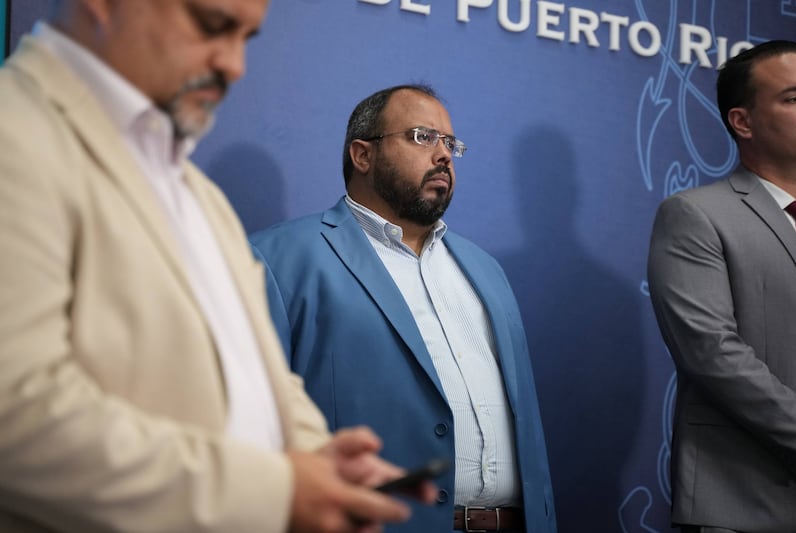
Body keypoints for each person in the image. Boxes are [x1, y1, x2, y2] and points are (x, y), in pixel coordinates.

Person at [0, 1, 434, 531]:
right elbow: (15, 414)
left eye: (246, 38)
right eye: (212, 25)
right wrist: (277, 489)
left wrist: (319, 461)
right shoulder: (14, 131)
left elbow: (260, 371)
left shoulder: (196, 192)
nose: (234, 65)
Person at [249, 84, 557, 533]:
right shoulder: (278, 260)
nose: (444, 155)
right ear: (362, 155)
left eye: (450, 143)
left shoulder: (485, 270)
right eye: (422, 137)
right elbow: (254, 425)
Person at [648, 39, 796, 532]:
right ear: (742, 121)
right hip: (744, 502)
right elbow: (712, 353)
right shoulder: (696, 214)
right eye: (795, 97)